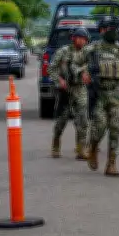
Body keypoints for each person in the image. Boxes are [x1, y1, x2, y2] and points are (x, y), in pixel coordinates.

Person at [73, 16, 119, 177]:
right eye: (110, 28)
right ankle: (93, 147)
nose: (113, 31)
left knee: (116, 128)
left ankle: (111, 164)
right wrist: (82, 72)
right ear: (102, 30)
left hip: (117, 94)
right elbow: (75, 62)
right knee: (99, 128)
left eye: (115, 28)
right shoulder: (93, 49)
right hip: (99, 94)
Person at [49, 27, 91, 160]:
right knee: (61, 120)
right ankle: (56, 144)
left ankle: (81, 149)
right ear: (73, 38)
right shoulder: (63, 51)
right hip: (65, 90)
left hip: (80, 89)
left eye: (84, 39)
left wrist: (88, 75)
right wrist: (59, 80)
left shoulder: (87, 54)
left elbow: (92, 68)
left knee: (82, 120)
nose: (82, 41)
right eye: (80, 38)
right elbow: (51, 68)